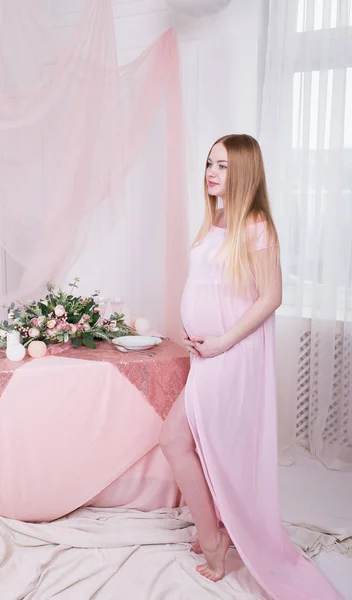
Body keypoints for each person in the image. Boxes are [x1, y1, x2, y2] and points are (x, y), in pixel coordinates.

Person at [159, 134, 342, 599]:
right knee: (192, 444)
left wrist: (220, 340)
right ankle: (215, 530)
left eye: (222, 165)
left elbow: (272, 296)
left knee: (179, 440)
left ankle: (217, 540)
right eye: (208, 163)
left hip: (228, 356)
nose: (211, 173)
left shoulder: (256, 225)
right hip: (208, 356)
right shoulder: (217, 219)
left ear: (244, 172)